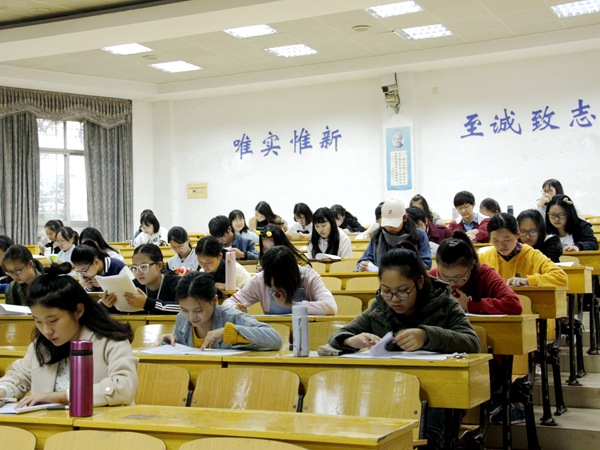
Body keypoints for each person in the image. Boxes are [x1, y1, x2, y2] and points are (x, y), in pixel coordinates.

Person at [327, 244, 480, 450]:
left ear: (419, 282)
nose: (394, 299)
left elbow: (472, 342)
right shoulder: (379, 308)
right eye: (386, 291)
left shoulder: (444, 304)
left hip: (436, 396)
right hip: (388, 392)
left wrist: (427, 335)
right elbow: (337, 337)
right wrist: (350, 340)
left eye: (402, 292)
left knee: (426, 439)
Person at [0, 263, 138, 408]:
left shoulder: (110, 341)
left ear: (78, 311)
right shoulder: (41, 345)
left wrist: (61, 397)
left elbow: (124, 387)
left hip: (101, 421)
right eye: (38, 321)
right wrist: (3, 391)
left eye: (53, 321)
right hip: (48, 421)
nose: (46, 331)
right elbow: (18, 378)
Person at [161, 272, 282, 351]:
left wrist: (229, 333)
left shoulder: (232, 317)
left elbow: (275, 339)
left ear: (214, 301)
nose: (191, 317)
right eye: (184, 310)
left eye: (198, 310)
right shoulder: (181, 319)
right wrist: (173, 340)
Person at [223, 246, 337, 315]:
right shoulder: (259, 279)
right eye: (271, 281)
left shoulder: (309, 276)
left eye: (279, 281)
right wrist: (235, 308)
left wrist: (290, 305)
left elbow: (330, 306)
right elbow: (228, 303)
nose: (275, 285)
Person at [431, 231, 523, 314]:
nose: (452, 283)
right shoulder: (433, 277)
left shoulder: (485, 274)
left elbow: (514, 304)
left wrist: (470, 305)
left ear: (471, 265)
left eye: (458, 277)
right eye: (445, 277)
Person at [479, 213, 568, 287]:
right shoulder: (484, 258)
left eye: (506, 240)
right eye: (495, 240)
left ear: (518, 235)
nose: (501, 245)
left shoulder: (532, 255)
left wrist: (528, 280)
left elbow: (561, 278)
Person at [103, 244, 181, 315]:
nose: (139, 272)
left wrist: (147, 303)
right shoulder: (133, 286)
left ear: (159, 266)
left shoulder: (177, 283)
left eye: (144, 267)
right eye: (135, 267)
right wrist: (108, 305)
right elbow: (122, 310)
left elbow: (182, 308)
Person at [357, 199, 432, 271]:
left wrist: (401, 270)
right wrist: (363, 265)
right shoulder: (378, 236)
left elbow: (426, 263)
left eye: (394, 223)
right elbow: (363, 261)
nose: (390, 227)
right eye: (387, 223)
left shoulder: (419, 235)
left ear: (405, 218)